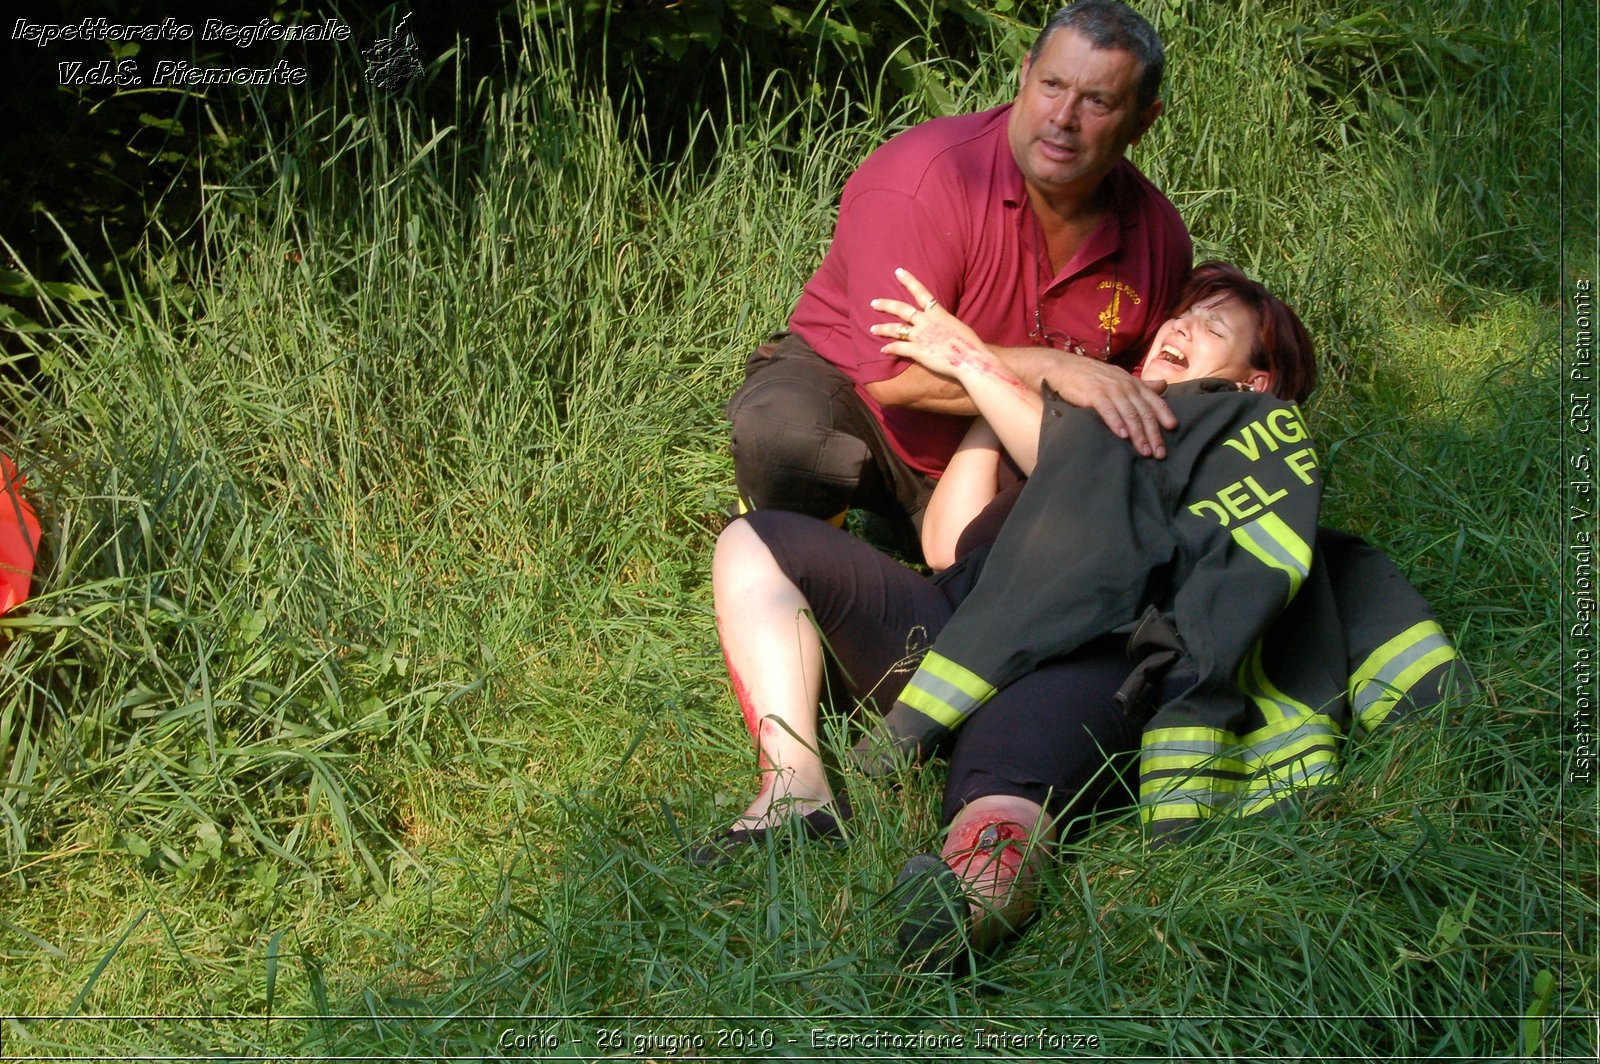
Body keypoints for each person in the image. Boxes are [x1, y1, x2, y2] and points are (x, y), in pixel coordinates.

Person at [695, 264, 1467, 973]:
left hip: (1086, 652)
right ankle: (796, 794)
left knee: (1001, 794)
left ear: (1255, 380)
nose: (1180, 328)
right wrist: (1010, 392)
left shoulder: (1221, 432)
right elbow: (945, 541)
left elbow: (1077, 466)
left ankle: (964, 912)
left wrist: (973, 359)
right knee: (755, 541)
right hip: (965, 626)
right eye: (1182, 314)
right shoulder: (1095, 422)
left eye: (1213, 328)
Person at [726, 1, 1192, 555]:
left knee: (1084, 535)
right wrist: (1052, 367)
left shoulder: (1158, 238)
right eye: (1051, 85)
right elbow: (894, 375)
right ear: (1023, 75)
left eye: (1098, 101)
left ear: (1144, 120)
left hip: (998, 447)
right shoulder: (923, 177)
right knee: (785, 435)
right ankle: (792, 548)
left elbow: (1136, 399)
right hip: (861, 404)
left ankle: (925, 542)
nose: (1063, 117)